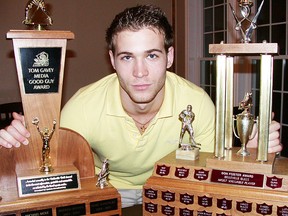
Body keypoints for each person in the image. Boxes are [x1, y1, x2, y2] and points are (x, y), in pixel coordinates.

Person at [0, 5, 282, 208]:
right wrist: (18, 144)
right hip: (107, 190)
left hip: (170, 188)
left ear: (169, 57)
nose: (140, 72)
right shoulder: (83, 107)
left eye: (151, 55)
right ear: (112, 60)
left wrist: (245, 158)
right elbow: (49, 169)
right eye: (126, 57)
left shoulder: (197, 104)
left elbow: (207, 180)